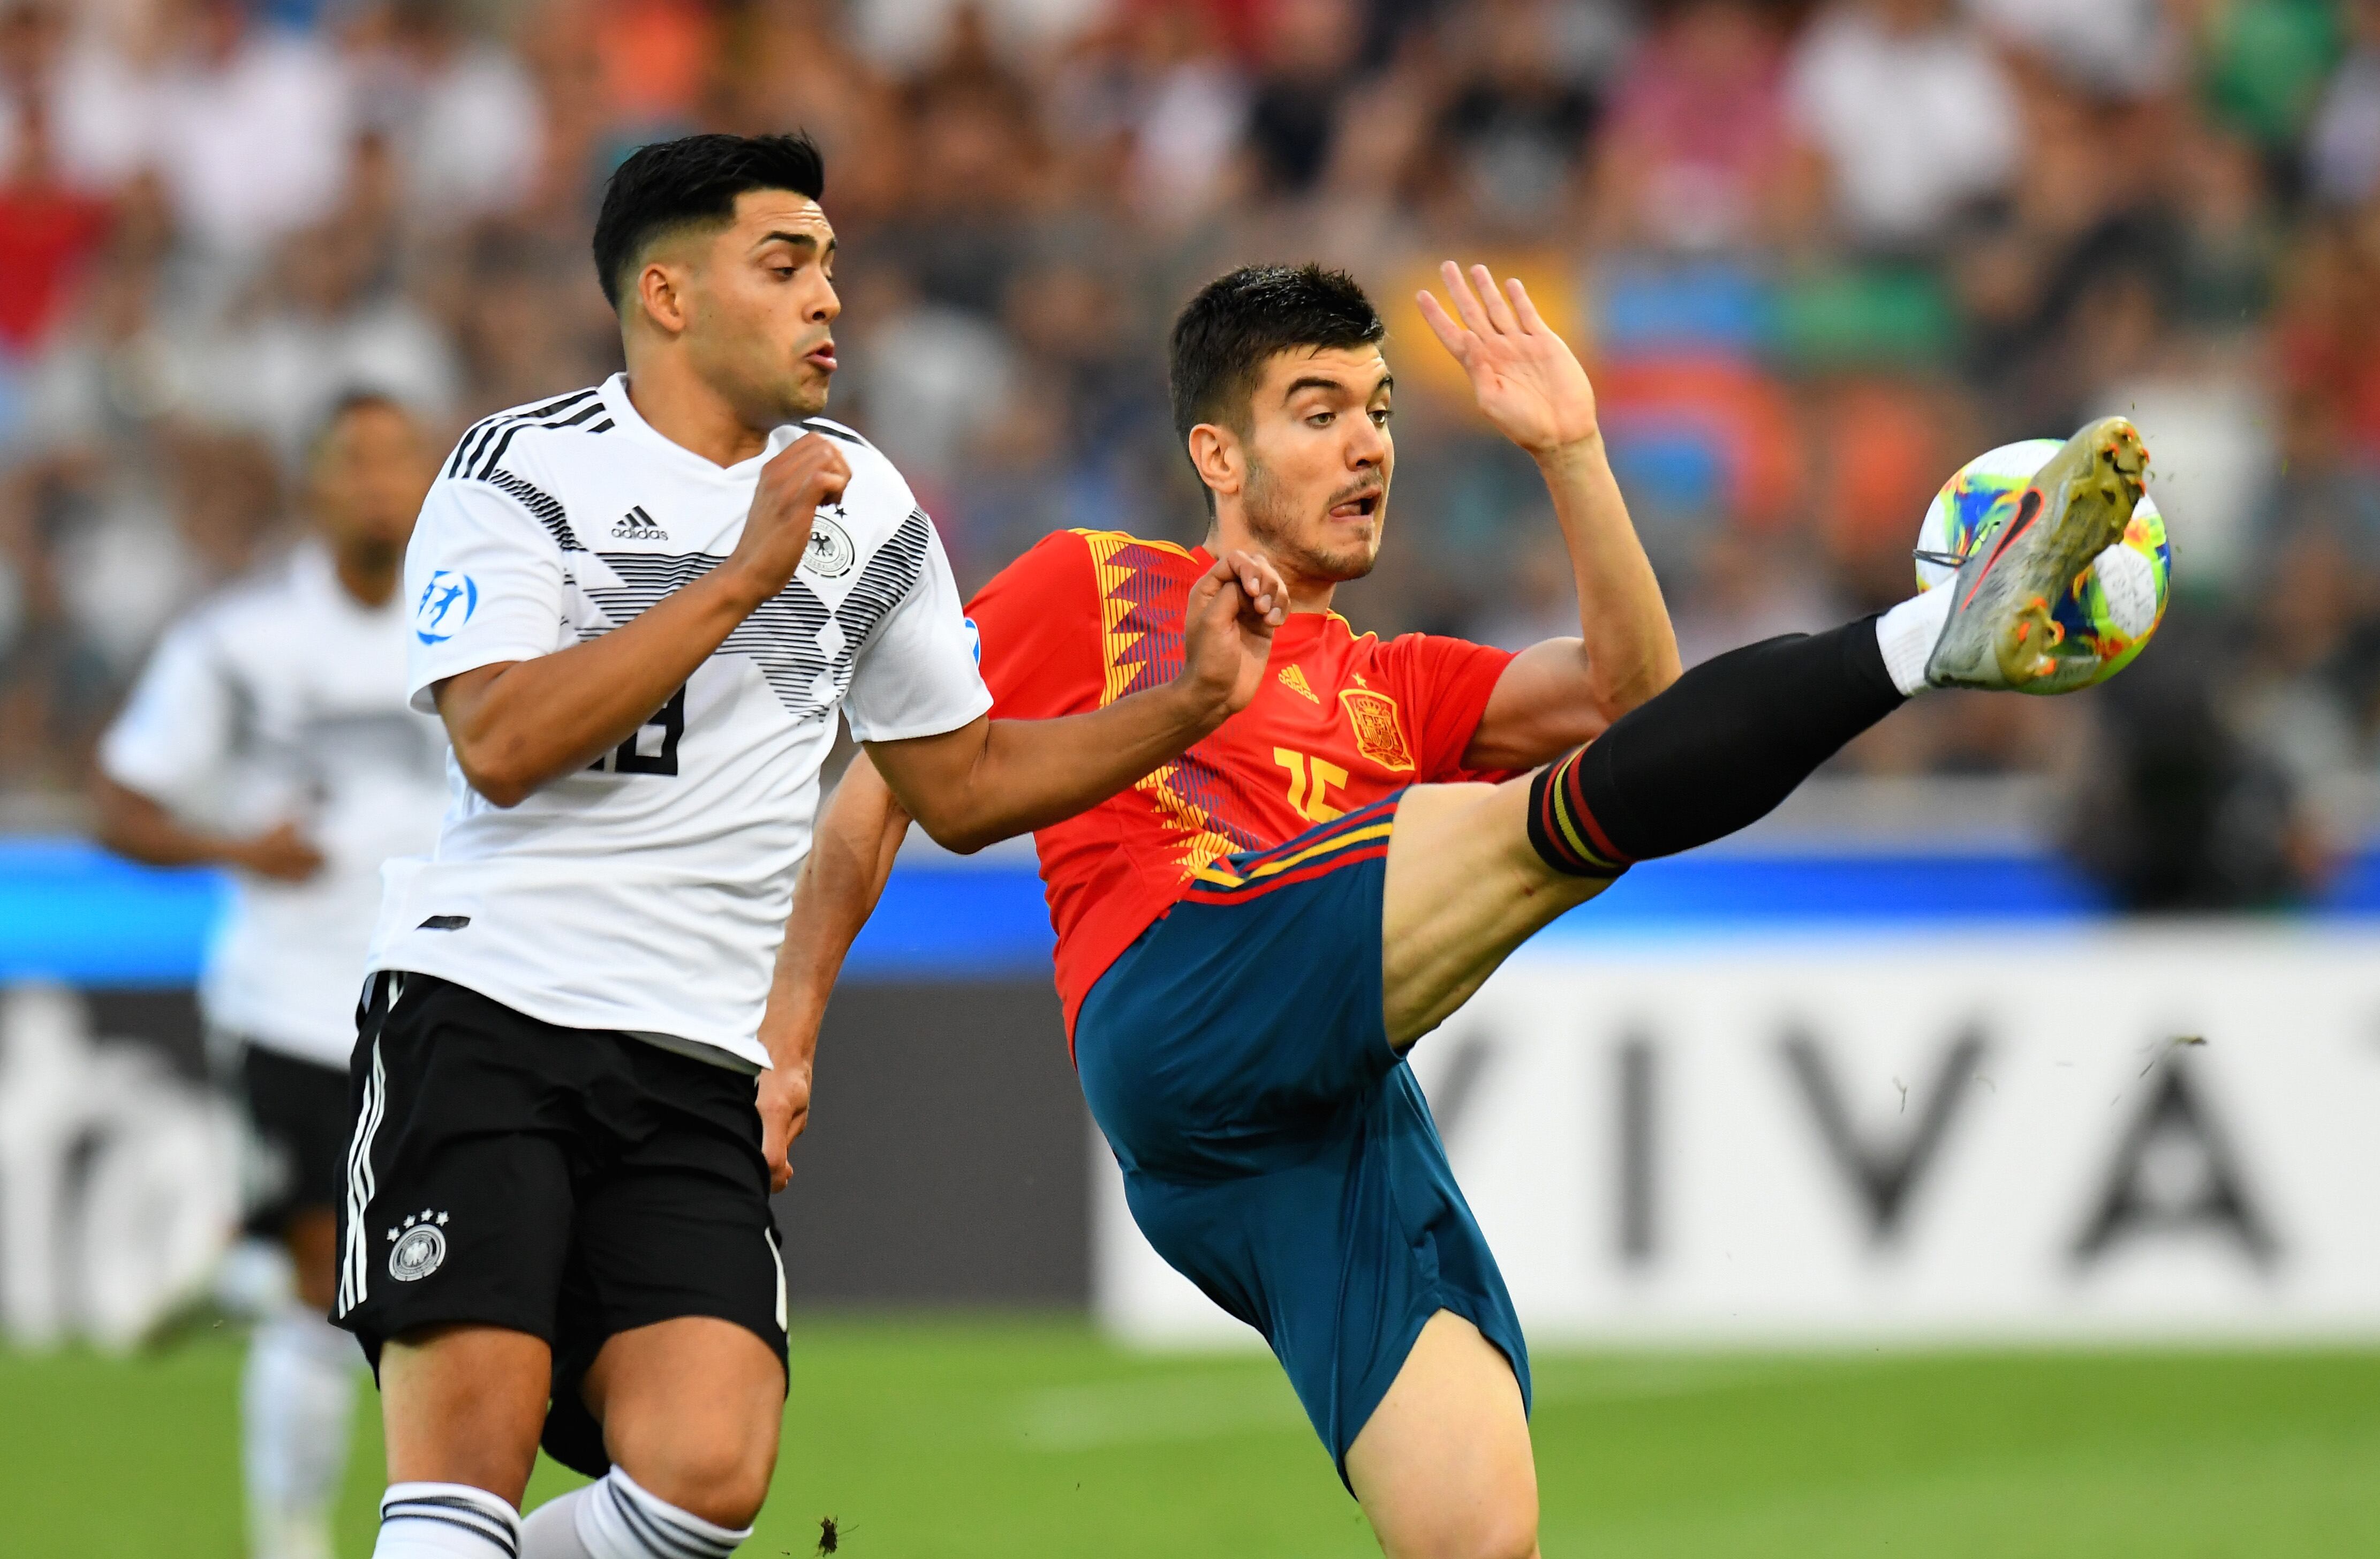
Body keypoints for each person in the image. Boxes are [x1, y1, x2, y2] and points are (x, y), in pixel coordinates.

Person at [781, 261, 2152, 1558]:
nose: (1369, 445)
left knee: (1478, 1528)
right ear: (1218, 456)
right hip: (1180, 997)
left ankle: (1939, 633)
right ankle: (1926, 639)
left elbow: (1638, 707)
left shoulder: (1399, 681)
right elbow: (878, 799)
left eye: (1380, 412)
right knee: (1528, 833)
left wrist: (1572, 451)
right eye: (1317, 414)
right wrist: (787, 1042)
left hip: (1305, 1129)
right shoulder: (1094, 583)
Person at [335, 132, 1290, 1559]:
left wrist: (1192, 703)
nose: (829, 299)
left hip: (698, 1058)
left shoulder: (864, 501)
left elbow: (957, 784)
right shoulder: (519, 469)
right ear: (667, 296)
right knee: (461, 1480)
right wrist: (740, 577)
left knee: (703, 1479)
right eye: (785, 266)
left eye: (831, 267)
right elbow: (503, 742)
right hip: (490, 1016)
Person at [93, 391, 451, 1559]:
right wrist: (237, 849)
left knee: (394, 1276)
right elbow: (121, 801)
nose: (380, 483)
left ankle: (242, 1266)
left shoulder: (478, 623)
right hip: (290, 999)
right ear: (313, 484)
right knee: (323, 1273)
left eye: (401, 460)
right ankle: (290, 1536)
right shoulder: (240, 642)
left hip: (438, 993)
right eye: (355, 461)